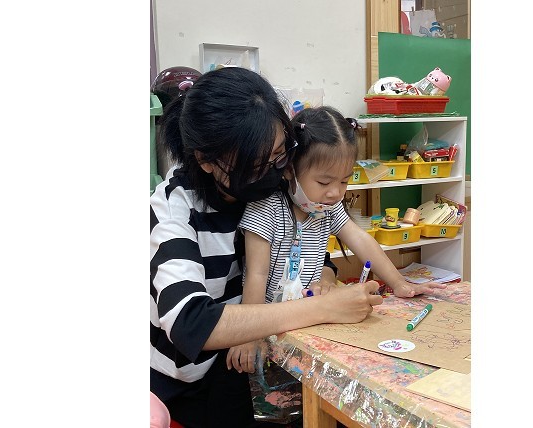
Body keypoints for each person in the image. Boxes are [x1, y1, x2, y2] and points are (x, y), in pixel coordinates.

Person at [150, 67, 383, 428]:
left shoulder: (272, 185)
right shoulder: (172, 209)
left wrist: (324, 276)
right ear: (207, 161)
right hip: (186, 380)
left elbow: (308, 249)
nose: (275, 172)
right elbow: (190, 322)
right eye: (256, 165)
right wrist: (322, 307)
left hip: (246, 354)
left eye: (280, 154)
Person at [226, 106, 447, 373]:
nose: (335, 193)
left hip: (304, 323)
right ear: (289, 170)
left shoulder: (326, 208)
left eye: (344, 181)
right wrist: (249, 334)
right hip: (265, 324)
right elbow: (256, 275)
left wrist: (399, 283)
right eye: (324, 182)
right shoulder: (265, 207)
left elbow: (361, 240)